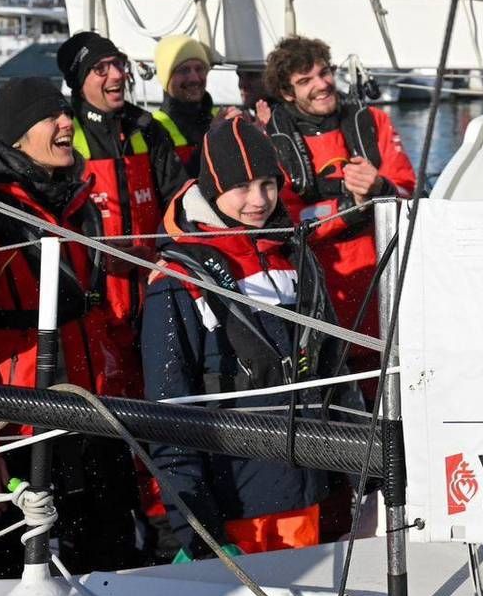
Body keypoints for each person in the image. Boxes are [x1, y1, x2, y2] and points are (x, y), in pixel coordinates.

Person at [0, 77, 143, 577]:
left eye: (66, 112)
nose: (67, 122)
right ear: (18, 138)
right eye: (51, 116)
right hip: (22, 432)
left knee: (112, 562)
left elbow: (104, 318)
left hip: (94, 418)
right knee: (10, 575)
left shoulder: (77, 207)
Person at [141, 117, 348, 557]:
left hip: (308, 493)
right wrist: (197, 530)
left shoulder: (297, 257)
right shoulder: (178, 279)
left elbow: (335, 372)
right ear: (214, 190)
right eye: (242, 187)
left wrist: (363, 478)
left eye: (268, 184)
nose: (258, 200)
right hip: (232, 502)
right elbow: (167, 413)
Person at [257, 36, 415, 341]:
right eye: (306, 80)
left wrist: (381, 186)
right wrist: (351, 206)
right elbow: (284, 221)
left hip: (382, 271)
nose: (322, 84)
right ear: (287, 93)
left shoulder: (373, 122)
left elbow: (409, 192)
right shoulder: (271, 142)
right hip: (320, 283)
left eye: (324, 72)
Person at [56, 31, 189, 366]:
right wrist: (96, 254)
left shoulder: (146, 129)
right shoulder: (63, 136)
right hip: (92, 302)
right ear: (78, 80)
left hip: (155, 291)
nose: (116, 75)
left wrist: (166, 255)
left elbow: (180, 201)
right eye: (100, 68)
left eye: (118, 63)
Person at [149, 34, 224, 170]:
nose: (194, 78)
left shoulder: (220, 117)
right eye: (184, 70)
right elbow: (175, 185)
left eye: (199, 69)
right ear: (166, 78)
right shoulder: (154, 127)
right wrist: (212, 138)